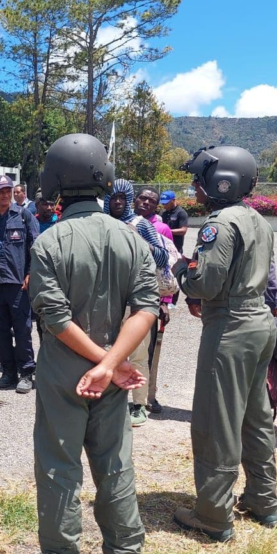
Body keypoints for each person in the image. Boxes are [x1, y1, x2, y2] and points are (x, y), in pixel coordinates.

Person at [9, 133, 158, 554]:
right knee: (115, 467)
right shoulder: (130, 238)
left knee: (58, 471)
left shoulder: (50, 240)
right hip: (114, 374)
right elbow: (147, 308)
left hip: (64, 372)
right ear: (104, 179)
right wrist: (113, 363)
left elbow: (54, 317)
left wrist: (98, 362)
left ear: (55, 181)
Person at [171, 145, 277, 542]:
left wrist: (183, 270)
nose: (195, 187)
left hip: (229, 327)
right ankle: (263, 500)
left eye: (200, 179)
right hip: (258, 322)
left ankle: (213, 514)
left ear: (223, 181)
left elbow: (206, 283)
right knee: (255, 416)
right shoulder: (258, 220)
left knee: (216, 420)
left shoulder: (220, 223)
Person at [105, 179, 168, 427]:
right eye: (113, 197)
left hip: (136, 300)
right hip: (107, 298)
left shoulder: (141, 225)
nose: (118, 202)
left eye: (122, 197)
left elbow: (162, 257)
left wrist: (137, 244)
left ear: (129, 200)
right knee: (108, 350)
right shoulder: (102, 223)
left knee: (138, 353)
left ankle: (139, 404)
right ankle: (111, 401)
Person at [0, 174, 40, 393]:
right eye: (0, 191)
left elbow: (35, 247)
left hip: (18, 283)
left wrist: (30, 274)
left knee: (22, 329)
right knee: (0, 330)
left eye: (7, 191)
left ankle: (26, 372)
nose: (4, 195)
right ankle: (8, 371)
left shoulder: (23, 215)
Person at [135, 188, 174, 414]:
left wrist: (165, 301)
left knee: (149, 352)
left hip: (151, 297)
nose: (147, 202)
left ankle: (148, 396)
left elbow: (168, 266)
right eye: (143, 198)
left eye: (152, 200)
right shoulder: (123, 222)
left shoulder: (162, 229)